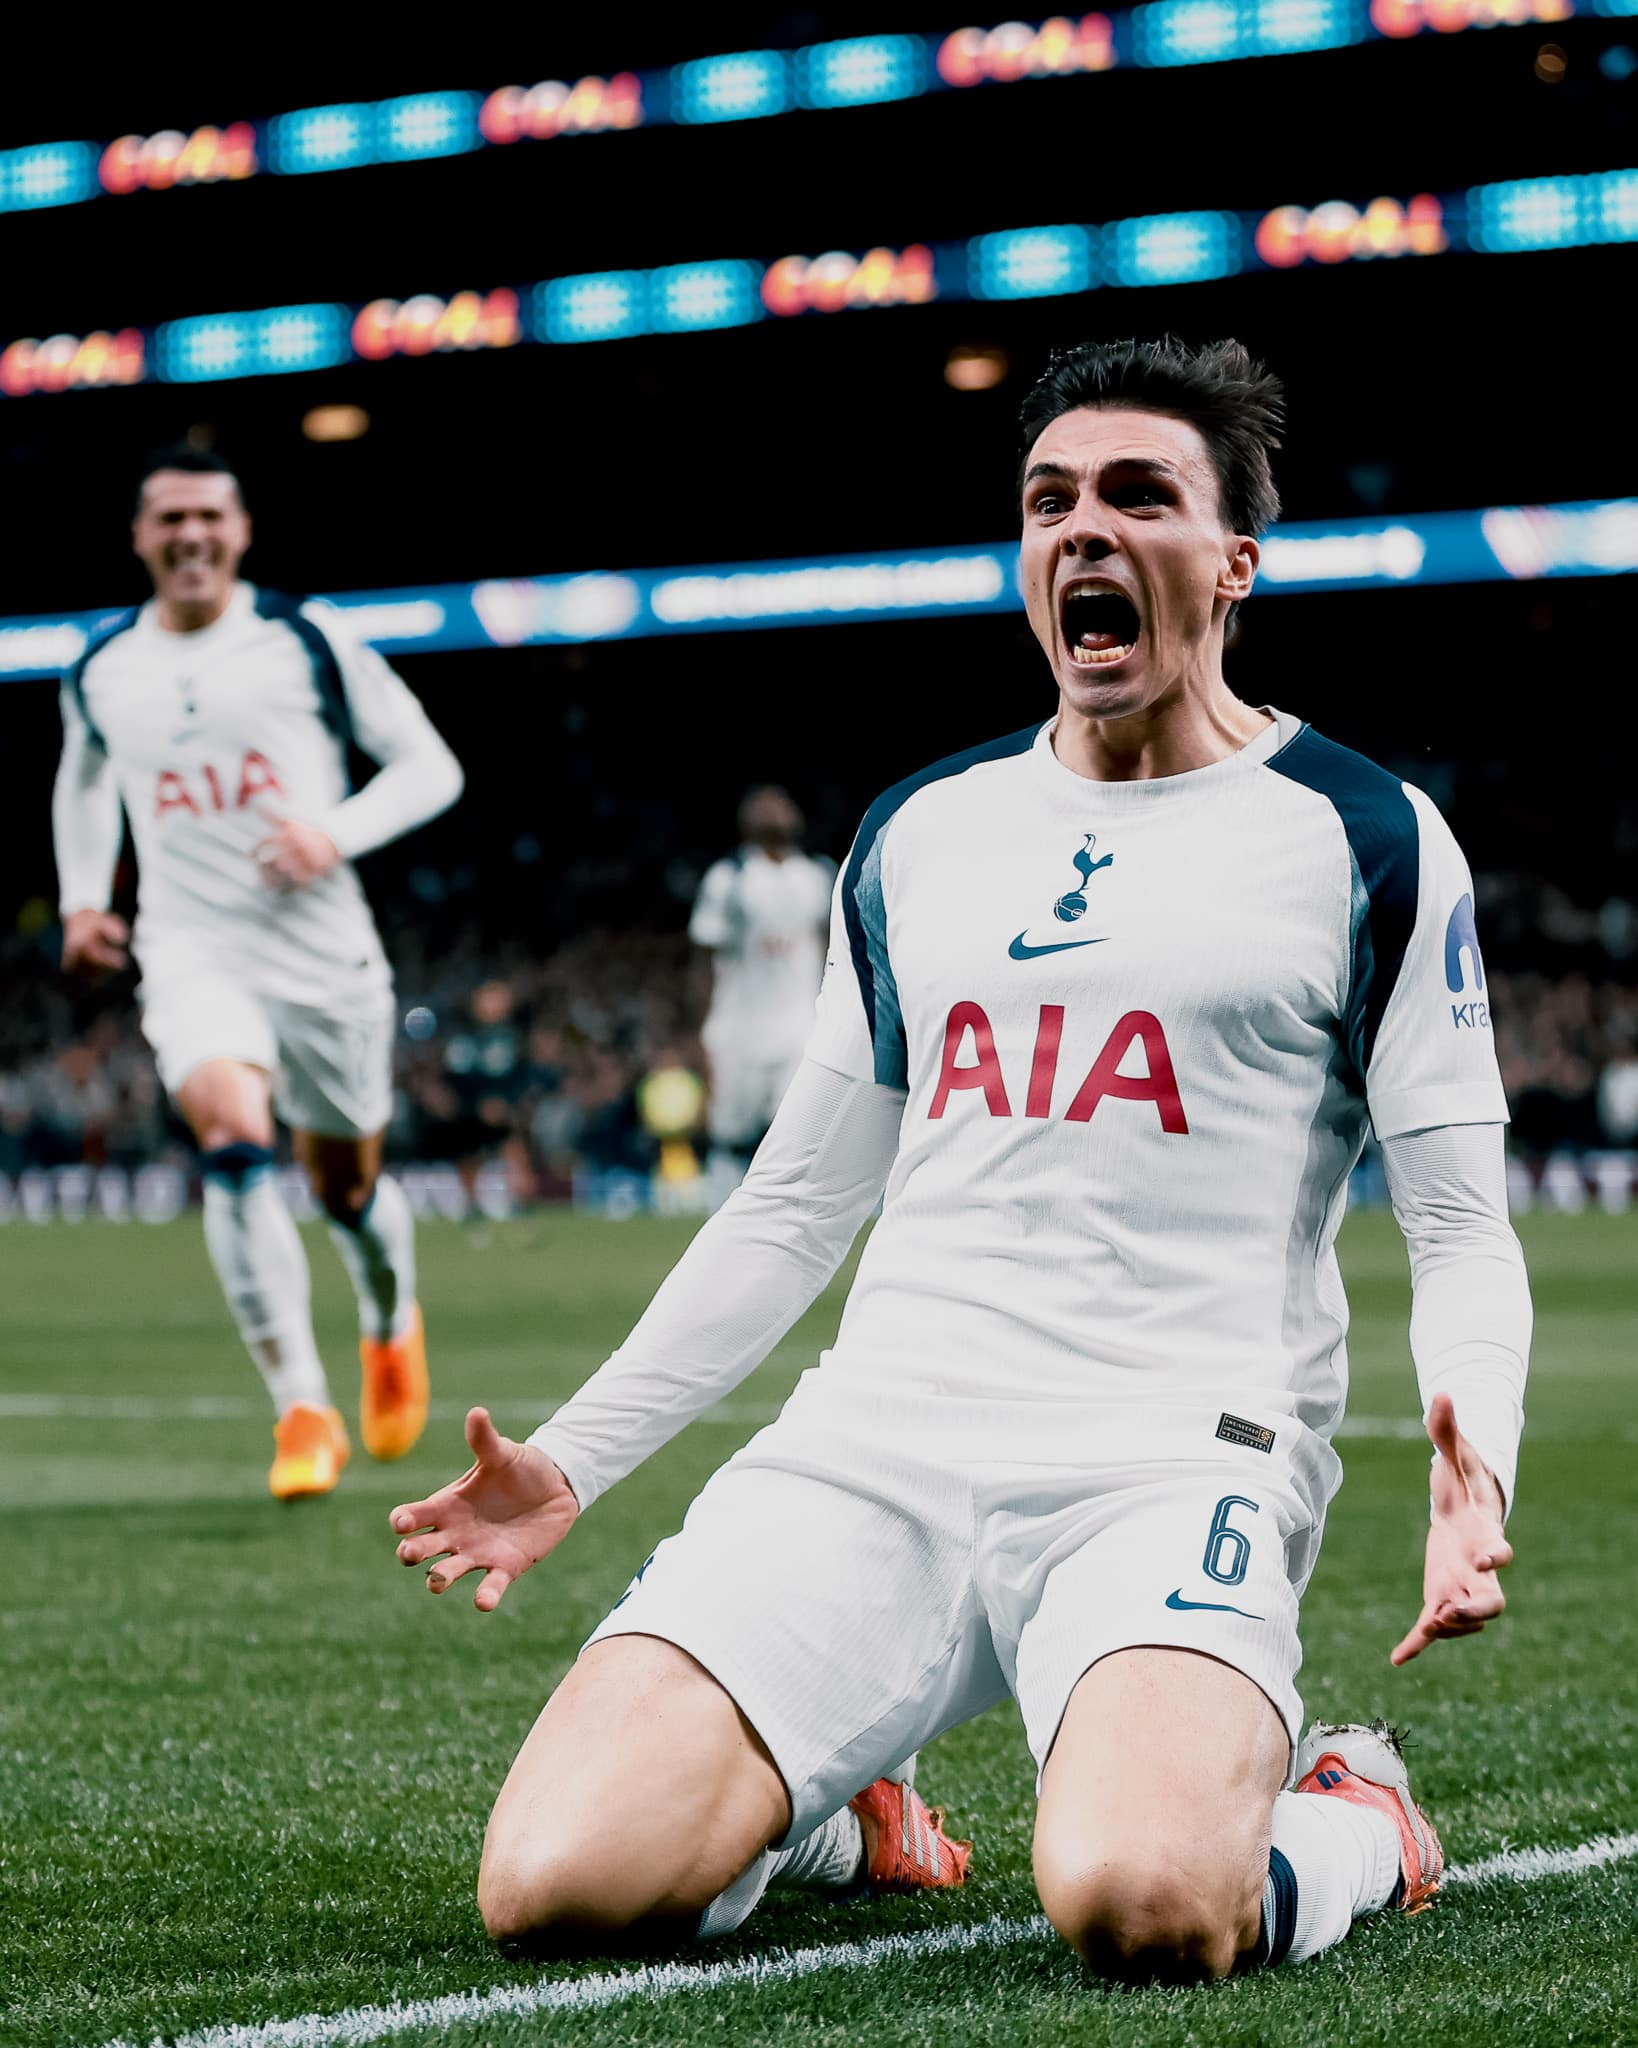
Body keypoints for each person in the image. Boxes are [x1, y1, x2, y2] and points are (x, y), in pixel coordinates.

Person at [391, 338, 1531, 1978]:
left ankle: (1356, 1814)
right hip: (879, 1441)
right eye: (1048, 500)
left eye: (1137, 495)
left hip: (1171, 1455)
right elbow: (797, 1203)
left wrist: (1474, 1466)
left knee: (1145, 1905)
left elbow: (1458, 1222)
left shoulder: (1364, 836)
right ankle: (839, 1805)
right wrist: (572, 1462)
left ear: (1232, 561)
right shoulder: (919, 831)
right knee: (554, 1889)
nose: (1083, 529)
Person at [55, 447, 464, 1500]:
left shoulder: (303, 635)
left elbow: (431, 766)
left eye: (209, 515)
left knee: (347, 1190)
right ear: (140, 537)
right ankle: (301, 1409)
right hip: (191, 948)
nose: (190, 534)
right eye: (169, 518)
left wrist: (333, 833)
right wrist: (84, 899)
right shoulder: (102, 664)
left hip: (322, 951)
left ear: (240, 531)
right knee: (233, 1143)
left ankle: (389, 1321)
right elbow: (84, 780)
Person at [689, 786, 833, 1198]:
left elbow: (831, 945)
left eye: (783, 803)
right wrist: (701, 1030)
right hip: (738, 1026)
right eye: (766, 806)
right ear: (746, 822)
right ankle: (719, 1210)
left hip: (800, 1024)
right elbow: (704, 957)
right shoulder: (728, 878)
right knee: (731, 1131)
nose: (778, 811)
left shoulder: (818, 875)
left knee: (798, 1129)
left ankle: (790, 1211)